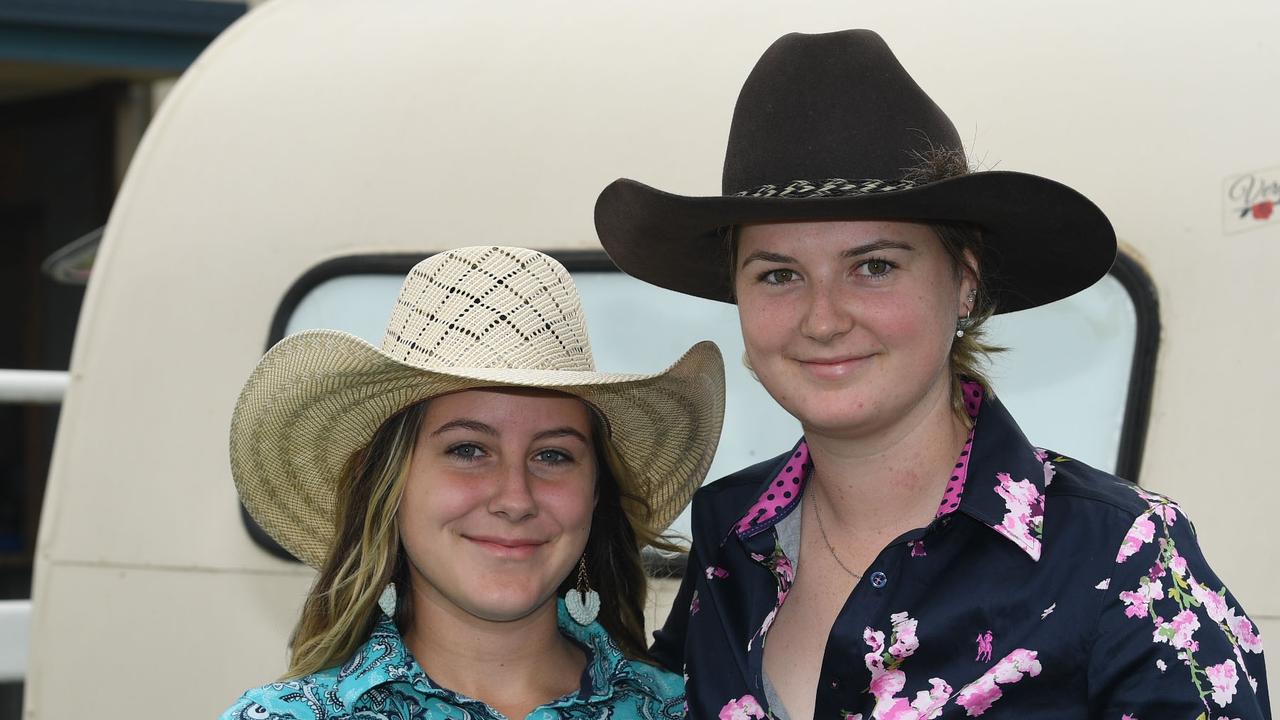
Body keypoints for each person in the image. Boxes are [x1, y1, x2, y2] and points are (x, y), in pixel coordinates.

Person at [594, 30, 1270, 719]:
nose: (823, 319)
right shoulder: (729, 533)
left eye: (875, 266)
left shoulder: (1121, 553)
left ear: (965, 284)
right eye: (778, 275)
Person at [220, 246, 725, 719]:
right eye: (468, 450)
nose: (514, 498)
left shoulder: (686, 710)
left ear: (595, 494)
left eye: (553, 455)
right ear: (387, 484)